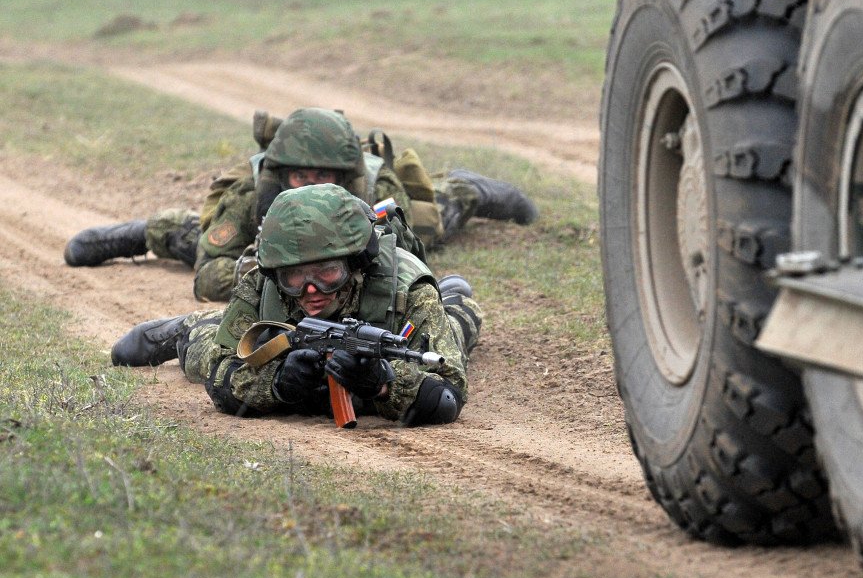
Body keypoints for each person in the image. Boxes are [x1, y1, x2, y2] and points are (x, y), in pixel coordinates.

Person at [64, 107, 537, 302]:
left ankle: (468, 186)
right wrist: (275, 275)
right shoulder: (254, 195)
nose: (311, 186)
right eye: (300, 177)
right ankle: (143, 231)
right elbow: (210, 274)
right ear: (280, 173)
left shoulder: (373, 193)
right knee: (191, 236)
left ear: (344, 177)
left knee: (439, 215)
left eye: (324, 178)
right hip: (267, 247)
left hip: (355, 241)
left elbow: (403, 268)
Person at [109, 183, 482, 425]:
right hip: (280, 338)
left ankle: (455, 299)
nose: (311, 290)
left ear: (355, 263)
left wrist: (383, 382)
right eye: (294, 278)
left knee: (454, 328)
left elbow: (448, 394)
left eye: (327, 273)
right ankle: (186, 327)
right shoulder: (261, 284)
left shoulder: (408, 291)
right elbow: (221, 373)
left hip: (397, 326)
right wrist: (279, 383)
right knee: (202, 348)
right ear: (276, 274)